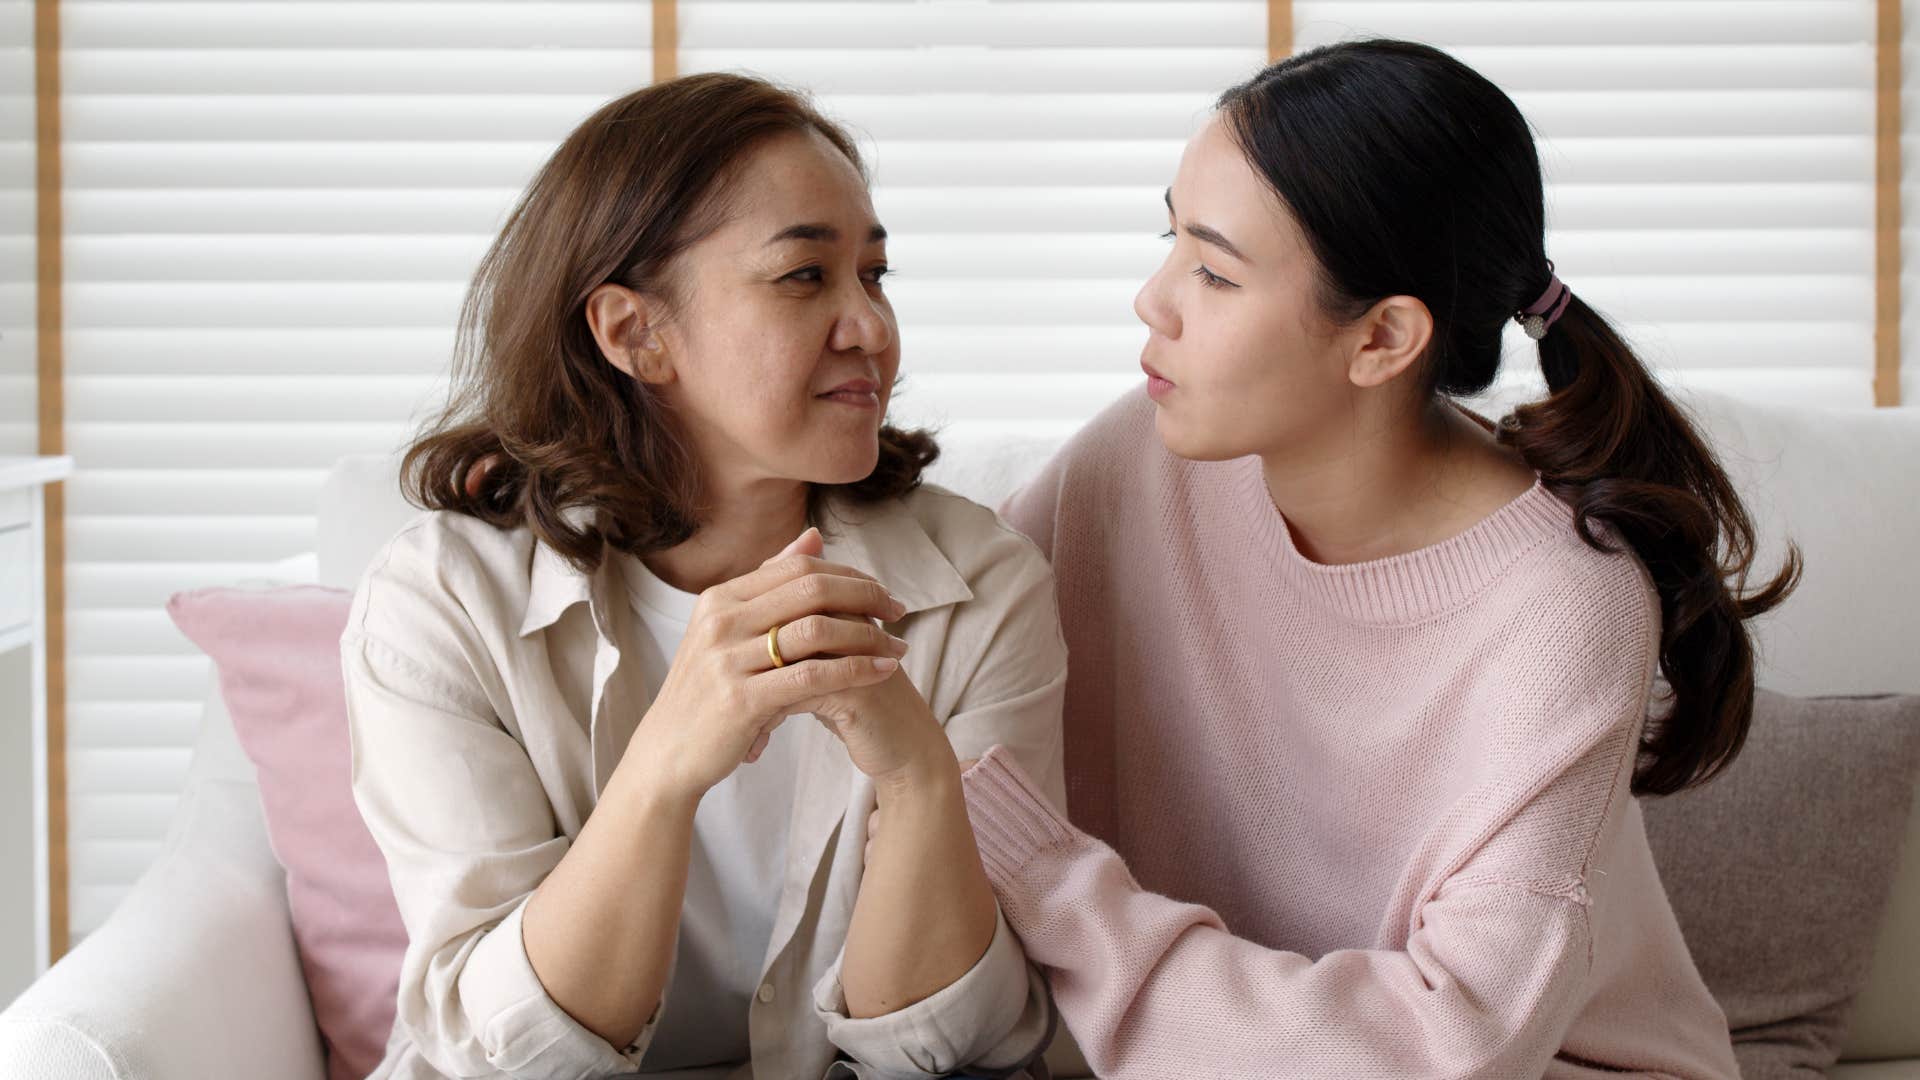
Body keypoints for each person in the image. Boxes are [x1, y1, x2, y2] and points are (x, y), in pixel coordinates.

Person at [943, 39, 1800, 1078]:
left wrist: (1048, 879)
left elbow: (1450, 1050)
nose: (1153, 301)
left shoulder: (1564, 606)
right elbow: (947, 622)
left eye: (1213, 271)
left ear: (1384, 338)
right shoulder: (1149, 453)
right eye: (1168, 240)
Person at [341, 73, 1064, 1080]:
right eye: (805, 277)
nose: (871, 328)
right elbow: (515, 1052)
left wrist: (917, 774)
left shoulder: (981, 583)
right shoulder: (441, 602)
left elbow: (944, 1045)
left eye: (876, 274)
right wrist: (669, 758)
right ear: (636, 333)